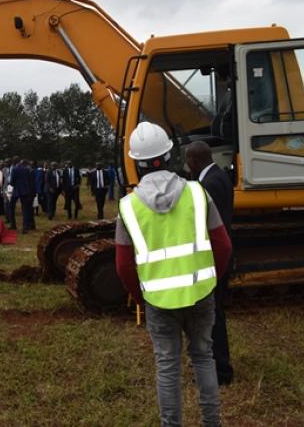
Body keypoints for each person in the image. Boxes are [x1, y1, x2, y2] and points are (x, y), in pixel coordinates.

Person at [115, 122, 232, 427]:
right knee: (203, 358)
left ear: (137, 164)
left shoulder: (127, 207)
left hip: (158, 301)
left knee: (167, 368)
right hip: (201, 294)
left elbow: (123, 265)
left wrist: (143, 297)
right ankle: (212, 422)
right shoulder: (197, 193)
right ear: (169, 156)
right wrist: (209, 281)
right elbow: (222, 245)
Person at [186, 140, 235, 387]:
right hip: (219, 254)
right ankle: (217, 364)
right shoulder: (219, 176)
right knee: (214, 313)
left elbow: (208, 225)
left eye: (187, 160)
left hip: (214, 256)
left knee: (213, 316)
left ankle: (221, 370)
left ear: (194, 160)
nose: (187, 165)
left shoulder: (210, 184)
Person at [9, 158, 35, 233]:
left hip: (16, 190)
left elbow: (12, 181)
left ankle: (13, 225)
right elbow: (29, 180)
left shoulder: (15, 169)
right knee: (25, 209)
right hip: (25, 190)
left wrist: (12, 184)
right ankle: (25, 227)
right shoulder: (27, 169)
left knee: (11, 207)